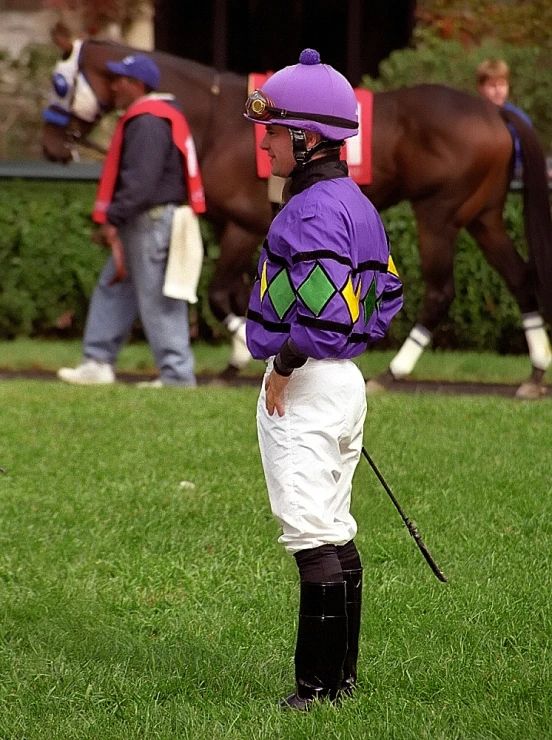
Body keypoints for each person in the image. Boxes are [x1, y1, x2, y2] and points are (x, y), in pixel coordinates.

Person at [244, 49, 403, 710]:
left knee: (311, 535)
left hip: (306, 381)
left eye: (275, 130)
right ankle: (341, 683)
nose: (267, 140)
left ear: (308, 139)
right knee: (334, 528)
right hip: (344, 382)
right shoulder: (354, 202)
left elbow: (322, 313)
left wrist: (284, 366)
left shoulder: (308, 212)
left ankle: (315, 691)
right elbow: (387, 295)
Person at [58, 54, 205, 387]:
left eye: (120, 79)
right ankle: (97, 361)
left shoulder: (148, 120)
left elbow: (141, 181)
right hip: (144, 220)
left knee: (158, 297)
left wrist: (113, 217)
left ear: (137, 84)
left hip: (147, 220)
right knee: (115, 287)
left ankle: (177, 374)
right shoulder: (155, 116)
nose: (113, 85)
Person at [476, 58, 532, 177]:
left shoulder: (519, 118)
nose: (498, 90)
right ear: (480, 88)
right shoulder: (472, 117)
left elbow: (526, 152)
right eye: (492, 85)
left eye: (502, 84)